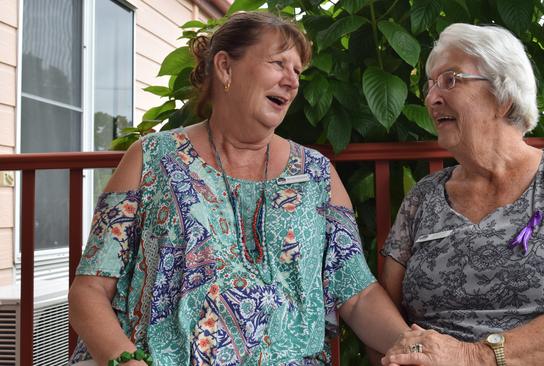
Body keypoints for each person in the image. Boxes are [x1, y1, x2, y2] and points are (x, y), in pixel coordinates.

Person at [68, 12, 408, 366]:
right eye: (279, 63)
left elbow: (358, 295)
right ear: (225, 68)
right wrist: (124, 360)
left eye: (297, 72)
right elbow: (90, 289)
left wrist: (417, 346)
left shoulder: (316, 175)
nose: (292, 81)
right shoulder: (151, 159)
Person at [379, 23, 544, 366]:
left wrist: (474, 358)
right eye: (431, 85)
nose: (432, 97)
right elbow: (384, 316)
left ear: (503, 97)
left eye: (450, 80)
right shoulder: (423, 198)